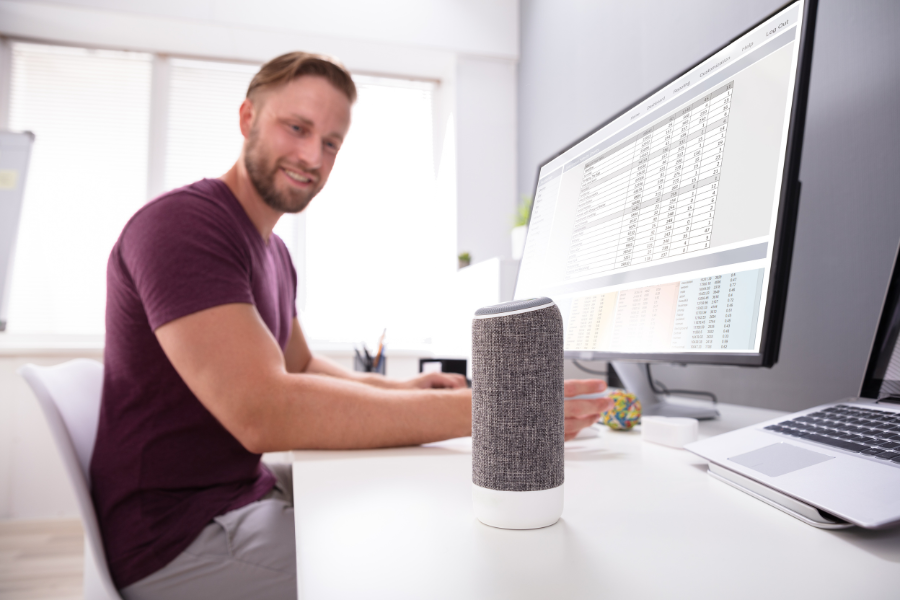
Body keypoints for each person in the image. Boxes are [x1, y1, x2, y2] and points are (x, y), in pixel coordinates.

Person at [91, 52, 610, 600]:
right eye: (297, 128)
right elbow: (263, 411)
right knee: (427, 568)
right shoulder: (185, 227)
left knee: (415, 501)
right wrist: (497, 412)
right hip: (177, 535)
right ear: (248, 118)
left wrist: (402, 389)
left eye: (331, 143)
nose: (312, 156)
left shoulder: (273, 254)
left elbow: (300, 366)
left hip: (240, 492)